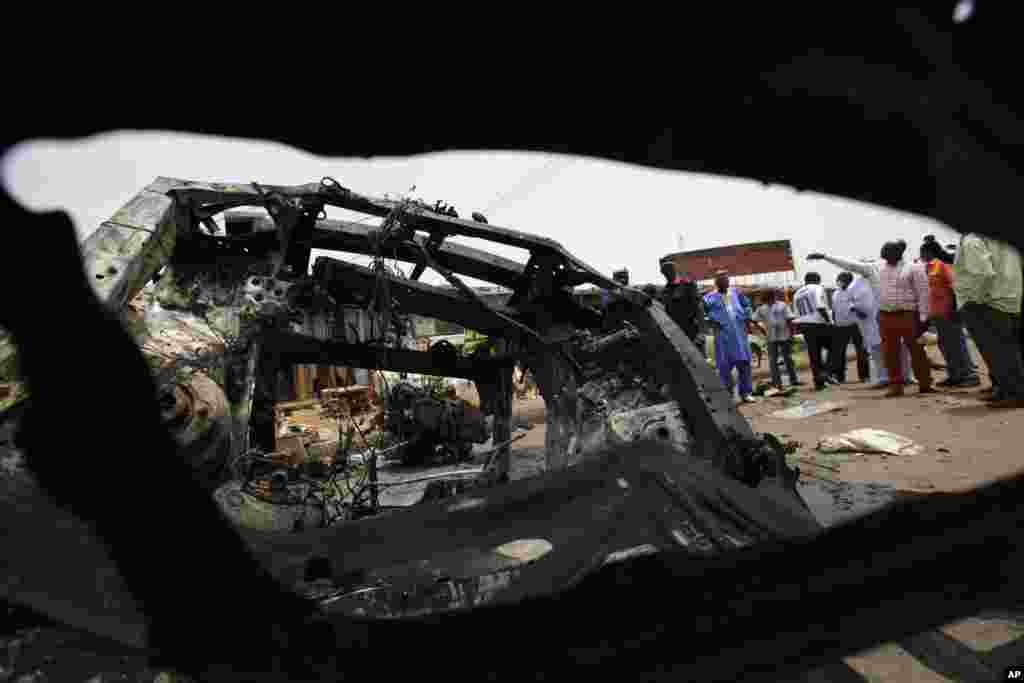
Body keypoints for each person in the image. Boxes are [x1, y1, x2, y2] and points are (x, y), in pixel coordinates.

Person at [806, 250, 915, 388]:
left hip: (888, 316)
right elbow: (848, 300)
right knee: (877, 351)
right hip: (869, 323)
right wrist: (856, 309)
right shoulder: (856, 284)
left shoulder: (878, 271)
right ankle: (884, 378)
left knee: (901, 348)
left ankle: (906, 376)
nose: (859, 268)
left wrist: (825, 257)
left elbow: (849, 265)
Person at [952, 232, 1024, 407]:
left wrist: (973, 299)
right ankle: (1005, 390)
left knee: (998, 353)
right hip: (1010, 299)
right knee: (1008, 350)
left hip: (986, 302)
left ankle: (1015, 394)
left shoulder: (972, 240)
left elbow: (982, 273)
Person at [920, 239, 980, 388]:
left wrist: (955, 309)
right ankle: (955, 375)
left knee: (957, 344)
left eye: (923, 252)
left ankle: (969, 375)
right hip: (937, 315)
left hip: (949, 313)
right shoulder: (927, 268)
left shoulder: (942, 266)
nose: (921, 256)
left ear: (929, 252)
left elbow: (955, 287)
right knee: (945, 346)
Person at [703, 271, 762, 403]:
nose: (724, 282)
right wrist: (710, 322)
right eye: (721, 280)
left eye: (726, 280)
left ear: (729, 281)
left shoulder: (736, 293)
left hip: (740, 334)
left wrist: (746, 318)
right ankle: (728, 394)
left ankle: (745, 393)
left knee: (745, 363)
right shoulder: (708, 297)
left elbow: (747, 306)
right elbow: (702, 313)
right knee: (724, 366)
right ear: (716, 282)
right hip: (723, 335)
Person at [792, 272, 834, 391]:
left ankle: (818, 382)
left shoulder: (797, 293)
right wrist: (829, 321)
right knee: (835, 347)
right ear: (817, 280)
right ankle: (825, 372)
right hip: (818, 323)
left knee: (814, 353)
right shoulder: (817, 288)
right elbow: (820, 306)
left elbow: (796, 313)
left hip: (804, 325)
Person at [753, 289, 801, 389]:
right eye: (770, 295)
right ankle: (777, 383)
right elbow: (754, 320)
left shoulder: (782, 305)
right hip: (771, 337)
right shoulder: (762, 308)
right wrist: (762, 330)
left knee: (788, 358)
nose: (772, 297)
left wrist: (792, 334)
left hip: (784, 335)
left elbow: (789, 319)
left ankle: (794, 380)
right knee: (772, 360)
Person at [660, 258, 706, 355]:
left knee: (700, 364)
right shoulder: (664, 292)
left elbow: (699, 308)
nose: (668, 272)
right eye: (665, 271)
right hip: (676, 336)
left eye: (670, 269)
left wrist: (701, 333)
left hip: (693, 333)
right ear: (662, 273)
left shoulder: (688, 285)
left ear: (674, 269)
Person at [830, 272, 870, 383]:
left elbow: (861, 309)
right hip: (840, 326)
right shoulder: (835, 293)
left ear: (848, 281)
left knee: (861, 351)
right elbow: (834, 310)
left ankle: (864, 376)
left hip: (855, 325)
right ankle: (840, 377)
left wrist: (856, 309)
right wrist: (835, 322)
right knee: (839, 353)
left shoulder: (855, 292)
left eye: (841, 279)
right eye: (838, 279)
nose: (838, 281)